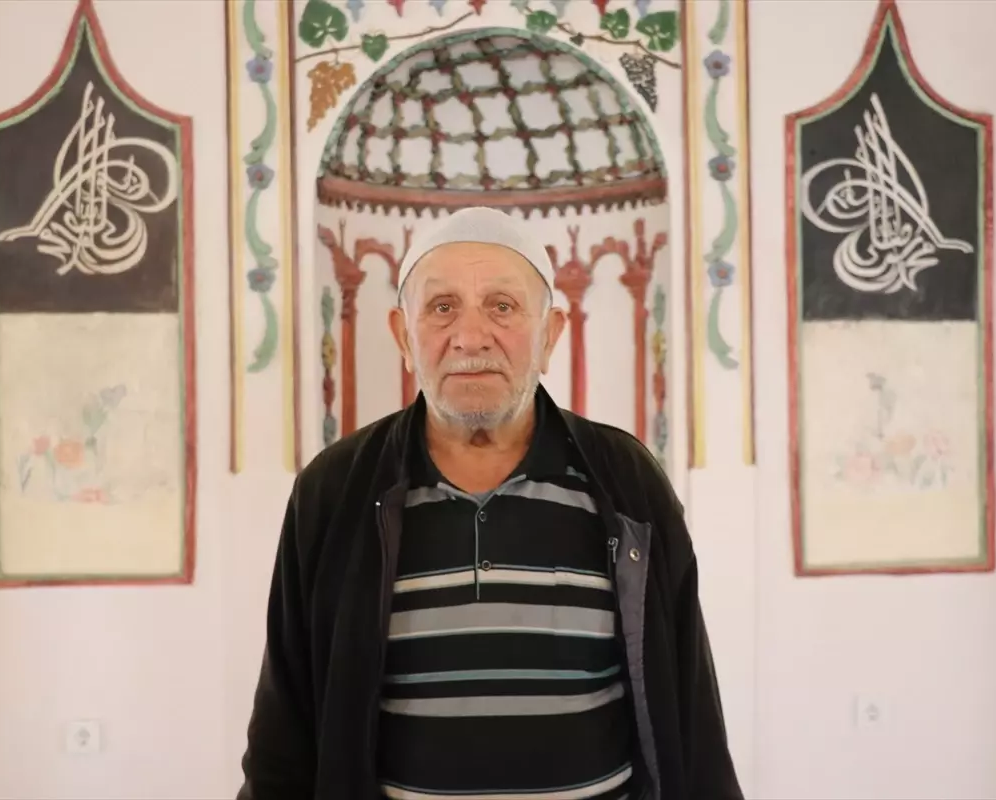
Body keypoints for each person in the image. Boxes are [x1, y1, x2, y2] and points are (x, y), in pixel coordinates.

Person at [237, 206, 743, 800]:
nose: (470, 336)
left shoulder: (628, 482)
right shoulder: (333, 491)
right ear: (403, 336)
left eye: (502, 306)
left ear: (550, 334)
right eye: (442, 307)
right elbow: (284, 737)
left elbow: (691, 718)